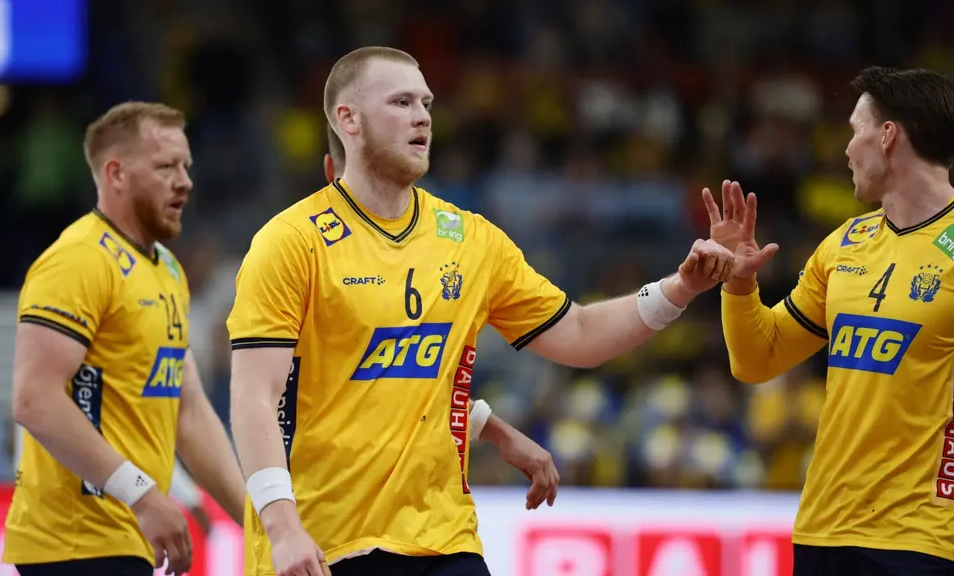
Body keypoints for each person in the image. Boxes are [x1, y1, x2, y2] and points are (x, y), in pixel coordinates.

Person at [229, 46, 734, 576]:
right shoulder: (291, 242)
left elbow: (580, 333)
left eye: (425, 102)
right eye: (401, 102)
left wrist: (680, 287)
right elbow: (254, 396)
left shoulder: (470, 239)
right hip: (328, 544)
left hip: (443, 538)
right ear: (347, 120)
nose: (423, 115)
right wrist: (282, 529)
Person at [704, 66, 954, 576]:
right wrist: (738, 284)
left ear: (887, 137)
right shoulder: (843, 244)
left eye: (854, 130)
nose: (845, 149)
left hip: (925, 537)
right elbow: (758, 361)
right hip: (825, 530)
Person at [3, 102, 247, 576]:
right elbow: (33, 399)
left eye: (186, 166)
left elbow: (189, 412)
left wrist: (261, 527)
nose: (185, 181)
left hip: (127, 541)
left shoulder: (168, 269)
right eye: (165, 166)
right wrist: (141, 494)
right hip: (74, 542)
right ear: (115, 173)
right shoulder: (78, 259)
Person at [323, 120, 564, 509]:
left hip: (427, 522)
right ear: (333, 175)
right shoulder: (309, 260)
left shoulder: (441, 255)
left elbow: (406, 390)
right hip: (335, 512)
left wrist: (498, 431)